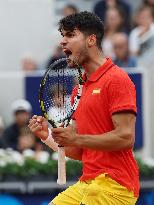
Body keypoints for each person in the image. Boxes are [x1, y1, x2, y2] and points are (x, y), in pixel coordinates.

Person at [28, 11, 139, 205]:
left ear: (91, 40)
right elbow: (78, 151)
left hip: (116, 185)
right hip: (88, 183)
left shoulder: (117, 79)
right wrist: (47, 136)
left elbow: (126, 137)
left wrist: (76, 138)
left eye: (70, 35)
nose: (63, 42)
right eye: (63, 36)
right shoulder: (79, 89)